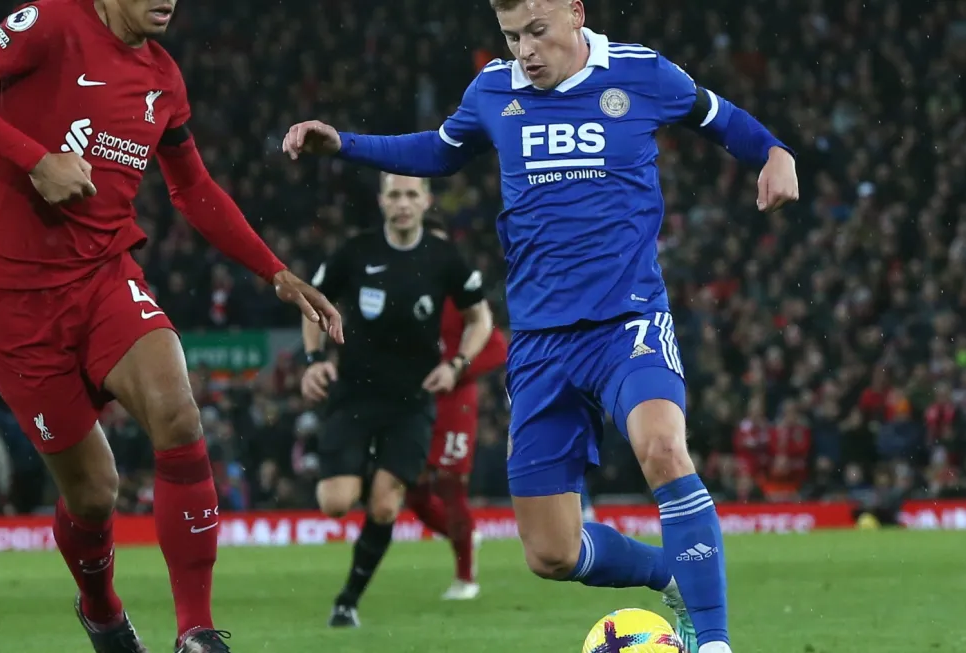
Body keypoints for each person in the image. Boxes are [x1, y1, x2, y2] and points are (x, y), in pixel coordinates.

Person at [281, 1, 799, 651]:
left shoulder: (640, 73)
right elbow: (440, 152)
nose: (523, 50)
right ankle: (675, 573)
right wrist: (346, 144)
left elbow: (721, 121)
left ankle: (714, 640)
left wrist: (773, 152)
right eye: (509, 36)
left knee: (664, 448)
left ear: (574, 14)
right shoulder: (494, 90)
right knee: (550, 552)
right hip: (538, 342)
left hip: (626, 320)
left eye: (535, 32)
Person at [0, 1, 342, 652]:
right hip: (13, 302)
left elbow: (192, 188)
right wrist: (35, 159)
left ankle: (195, 630)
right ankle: (101, 608)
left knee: (178, 412)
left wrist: (274, 272)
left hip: (104, 279)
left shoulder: (163, 78)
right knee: (93, 494)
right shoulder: (52, 23)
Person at [300, 173, 494, 628]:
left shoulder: (445, 258)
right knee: (334, 502)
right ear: (382, 201)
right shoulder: (356, 251)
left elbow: (480, 318)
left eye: (411, 194)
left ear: (426, 201)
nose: (403, 203)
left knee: (386, 506)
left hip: (412, 402)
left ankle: (347, 601)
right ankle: (373, 467)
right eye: (394, 194)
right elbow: (312, 300)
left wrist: (458, 364)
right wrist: (313, 359)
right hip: (354, 395)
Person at [402, 215, 508, 601]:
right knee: (413, 492)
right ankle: (465, 534)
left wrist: (455, 369)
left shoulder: (460, 294)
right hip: (412, 403)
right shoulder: (400, 290)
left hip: (454, 403)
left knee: (450, 486)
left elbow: (496, 347)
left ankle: (466, 578)